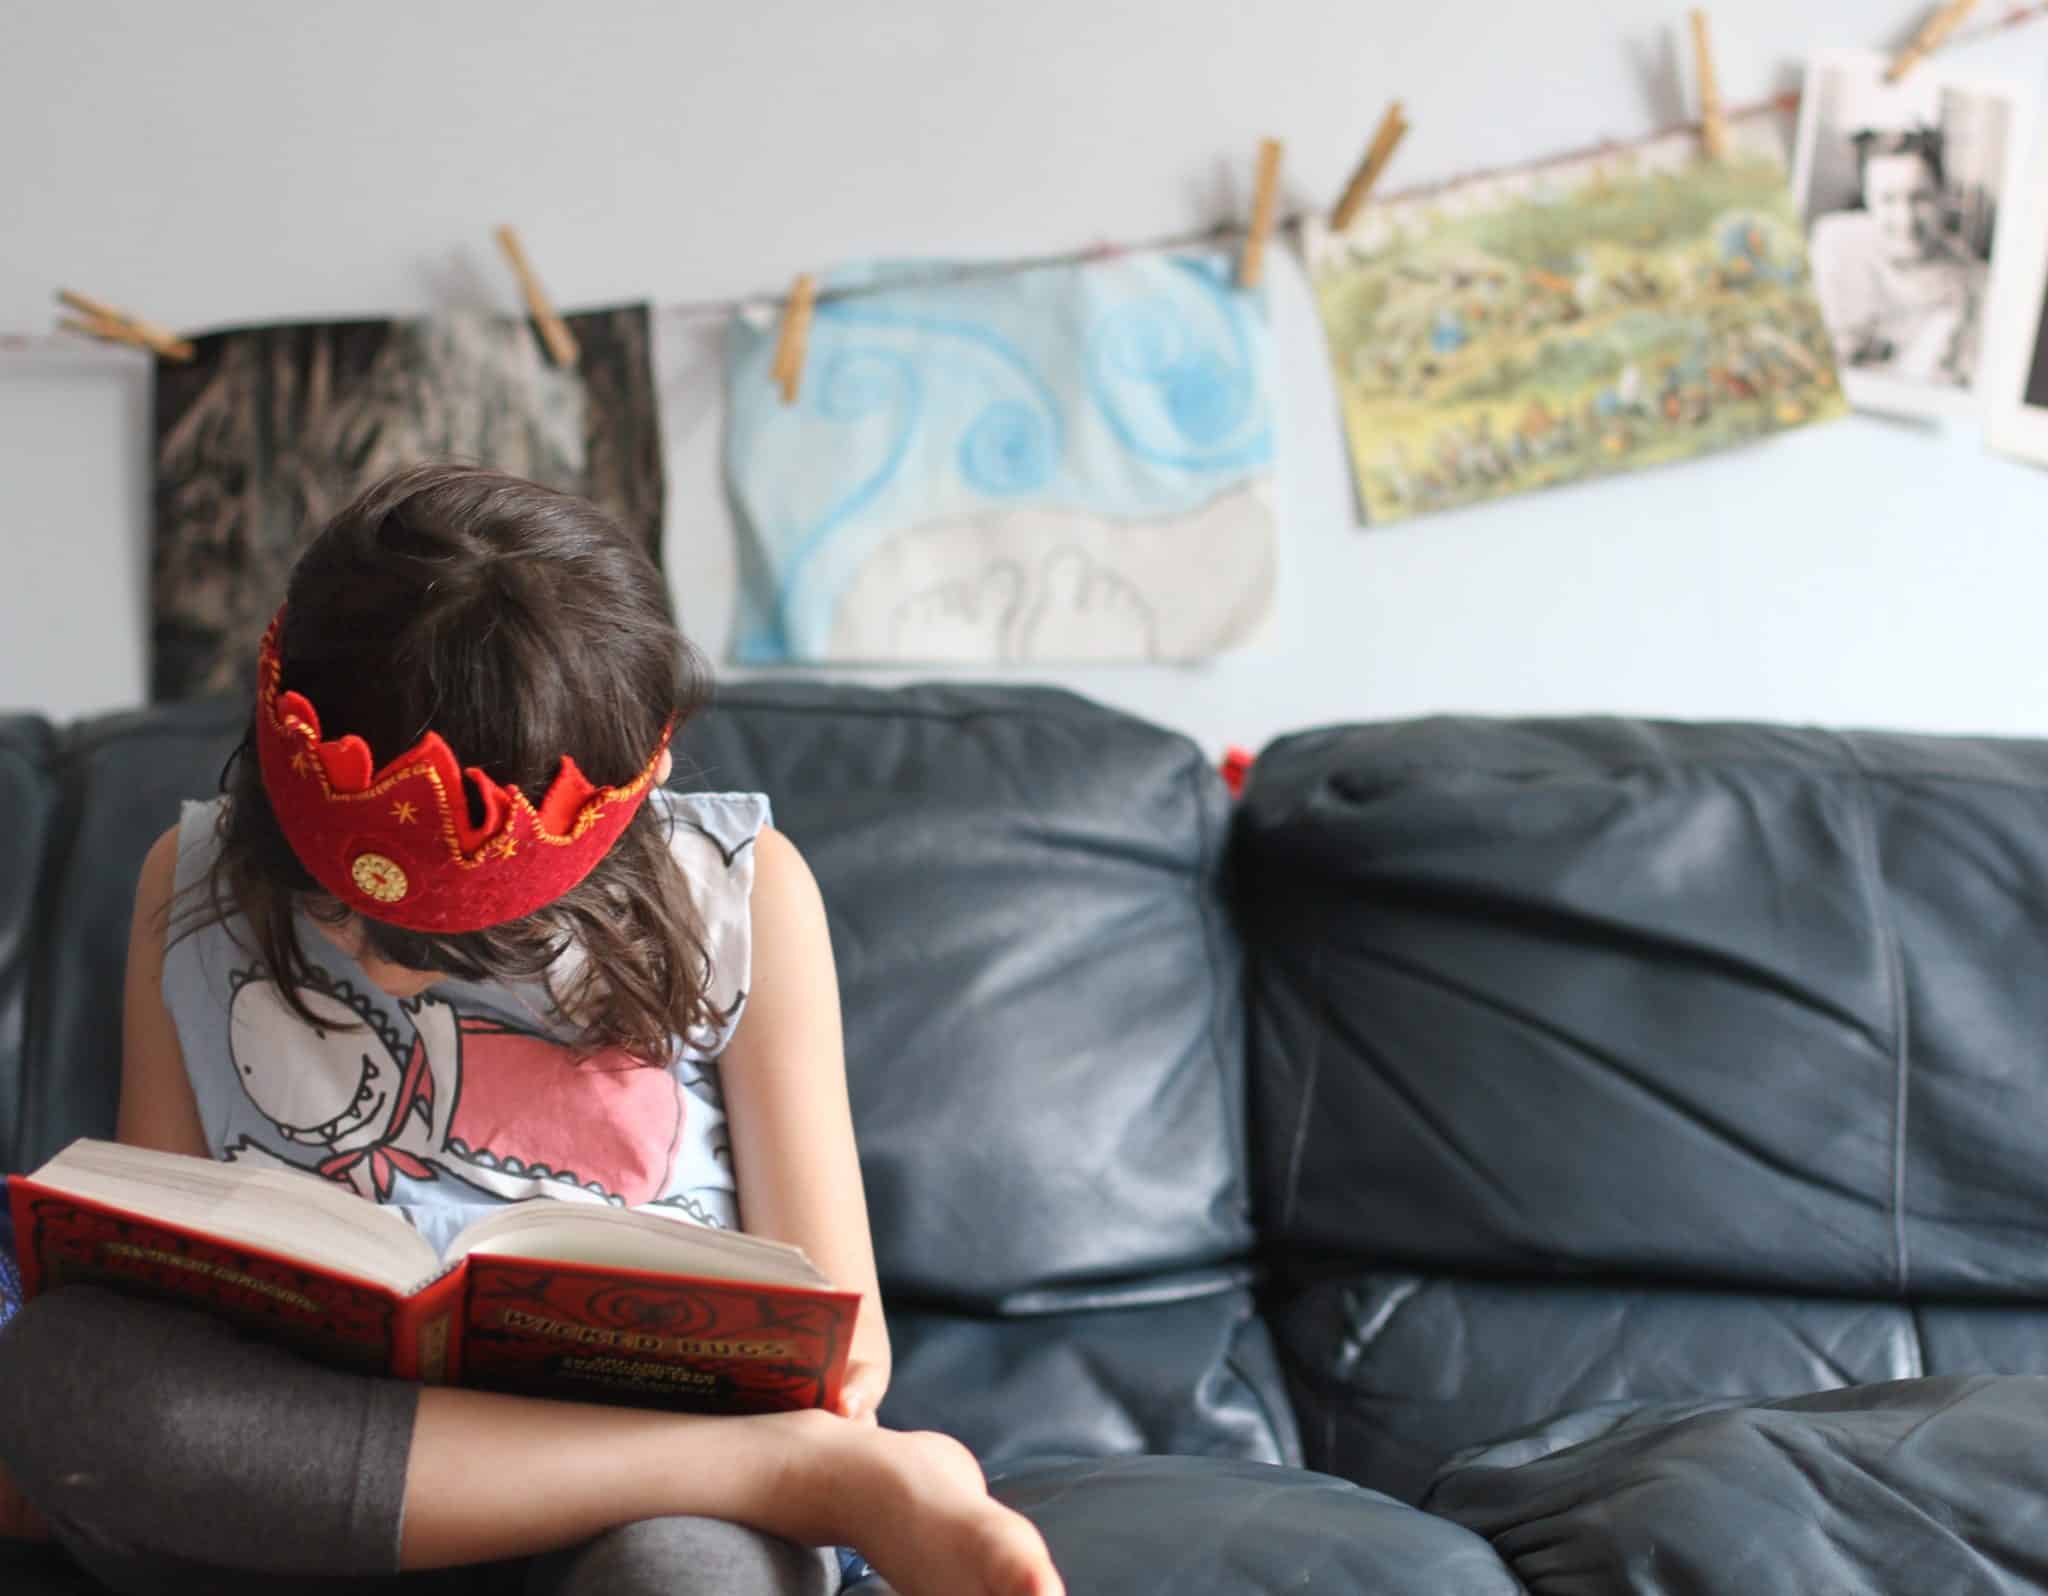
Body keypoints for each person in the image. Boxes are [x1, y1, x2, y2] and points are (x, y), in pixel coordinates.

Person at [0, 463, 1064, 1596]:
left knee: (685, 1580)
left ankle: (766, 1476)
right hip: (306, 1468)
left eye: (464, 942)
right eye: (330, 904)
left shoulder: (741, 894)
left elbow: (847, 1352)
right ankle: (782, 1473)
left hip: (636, 1517)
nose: (374, 961)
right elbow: (163, 1261)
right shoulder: (193, 877)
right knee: (69, 1374)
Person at [1807, 126, 1985, 388]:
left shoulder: (1974, 283)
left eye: (1919, 198)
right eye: (1888, 200)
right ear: (1868, 199)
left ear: (1942, 195)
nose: (1905, 219)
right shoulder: (1835, 243)